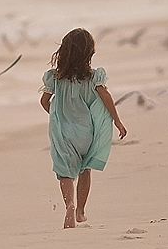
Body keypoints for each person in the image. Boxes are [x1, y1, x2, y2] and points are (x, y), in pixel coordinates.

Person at [39, 28, 127, 228]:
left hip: (63, 133)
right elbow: (105, 97)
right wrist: (117, 120)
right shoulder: (94, 77)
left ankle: (69, 205)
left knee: (65, 172)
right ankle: (80, 211)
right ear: (89, 54)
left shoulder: (55, 77)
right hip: (85, 132)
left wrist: (57, 116)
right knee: (84, 169)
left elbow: (44, 101)